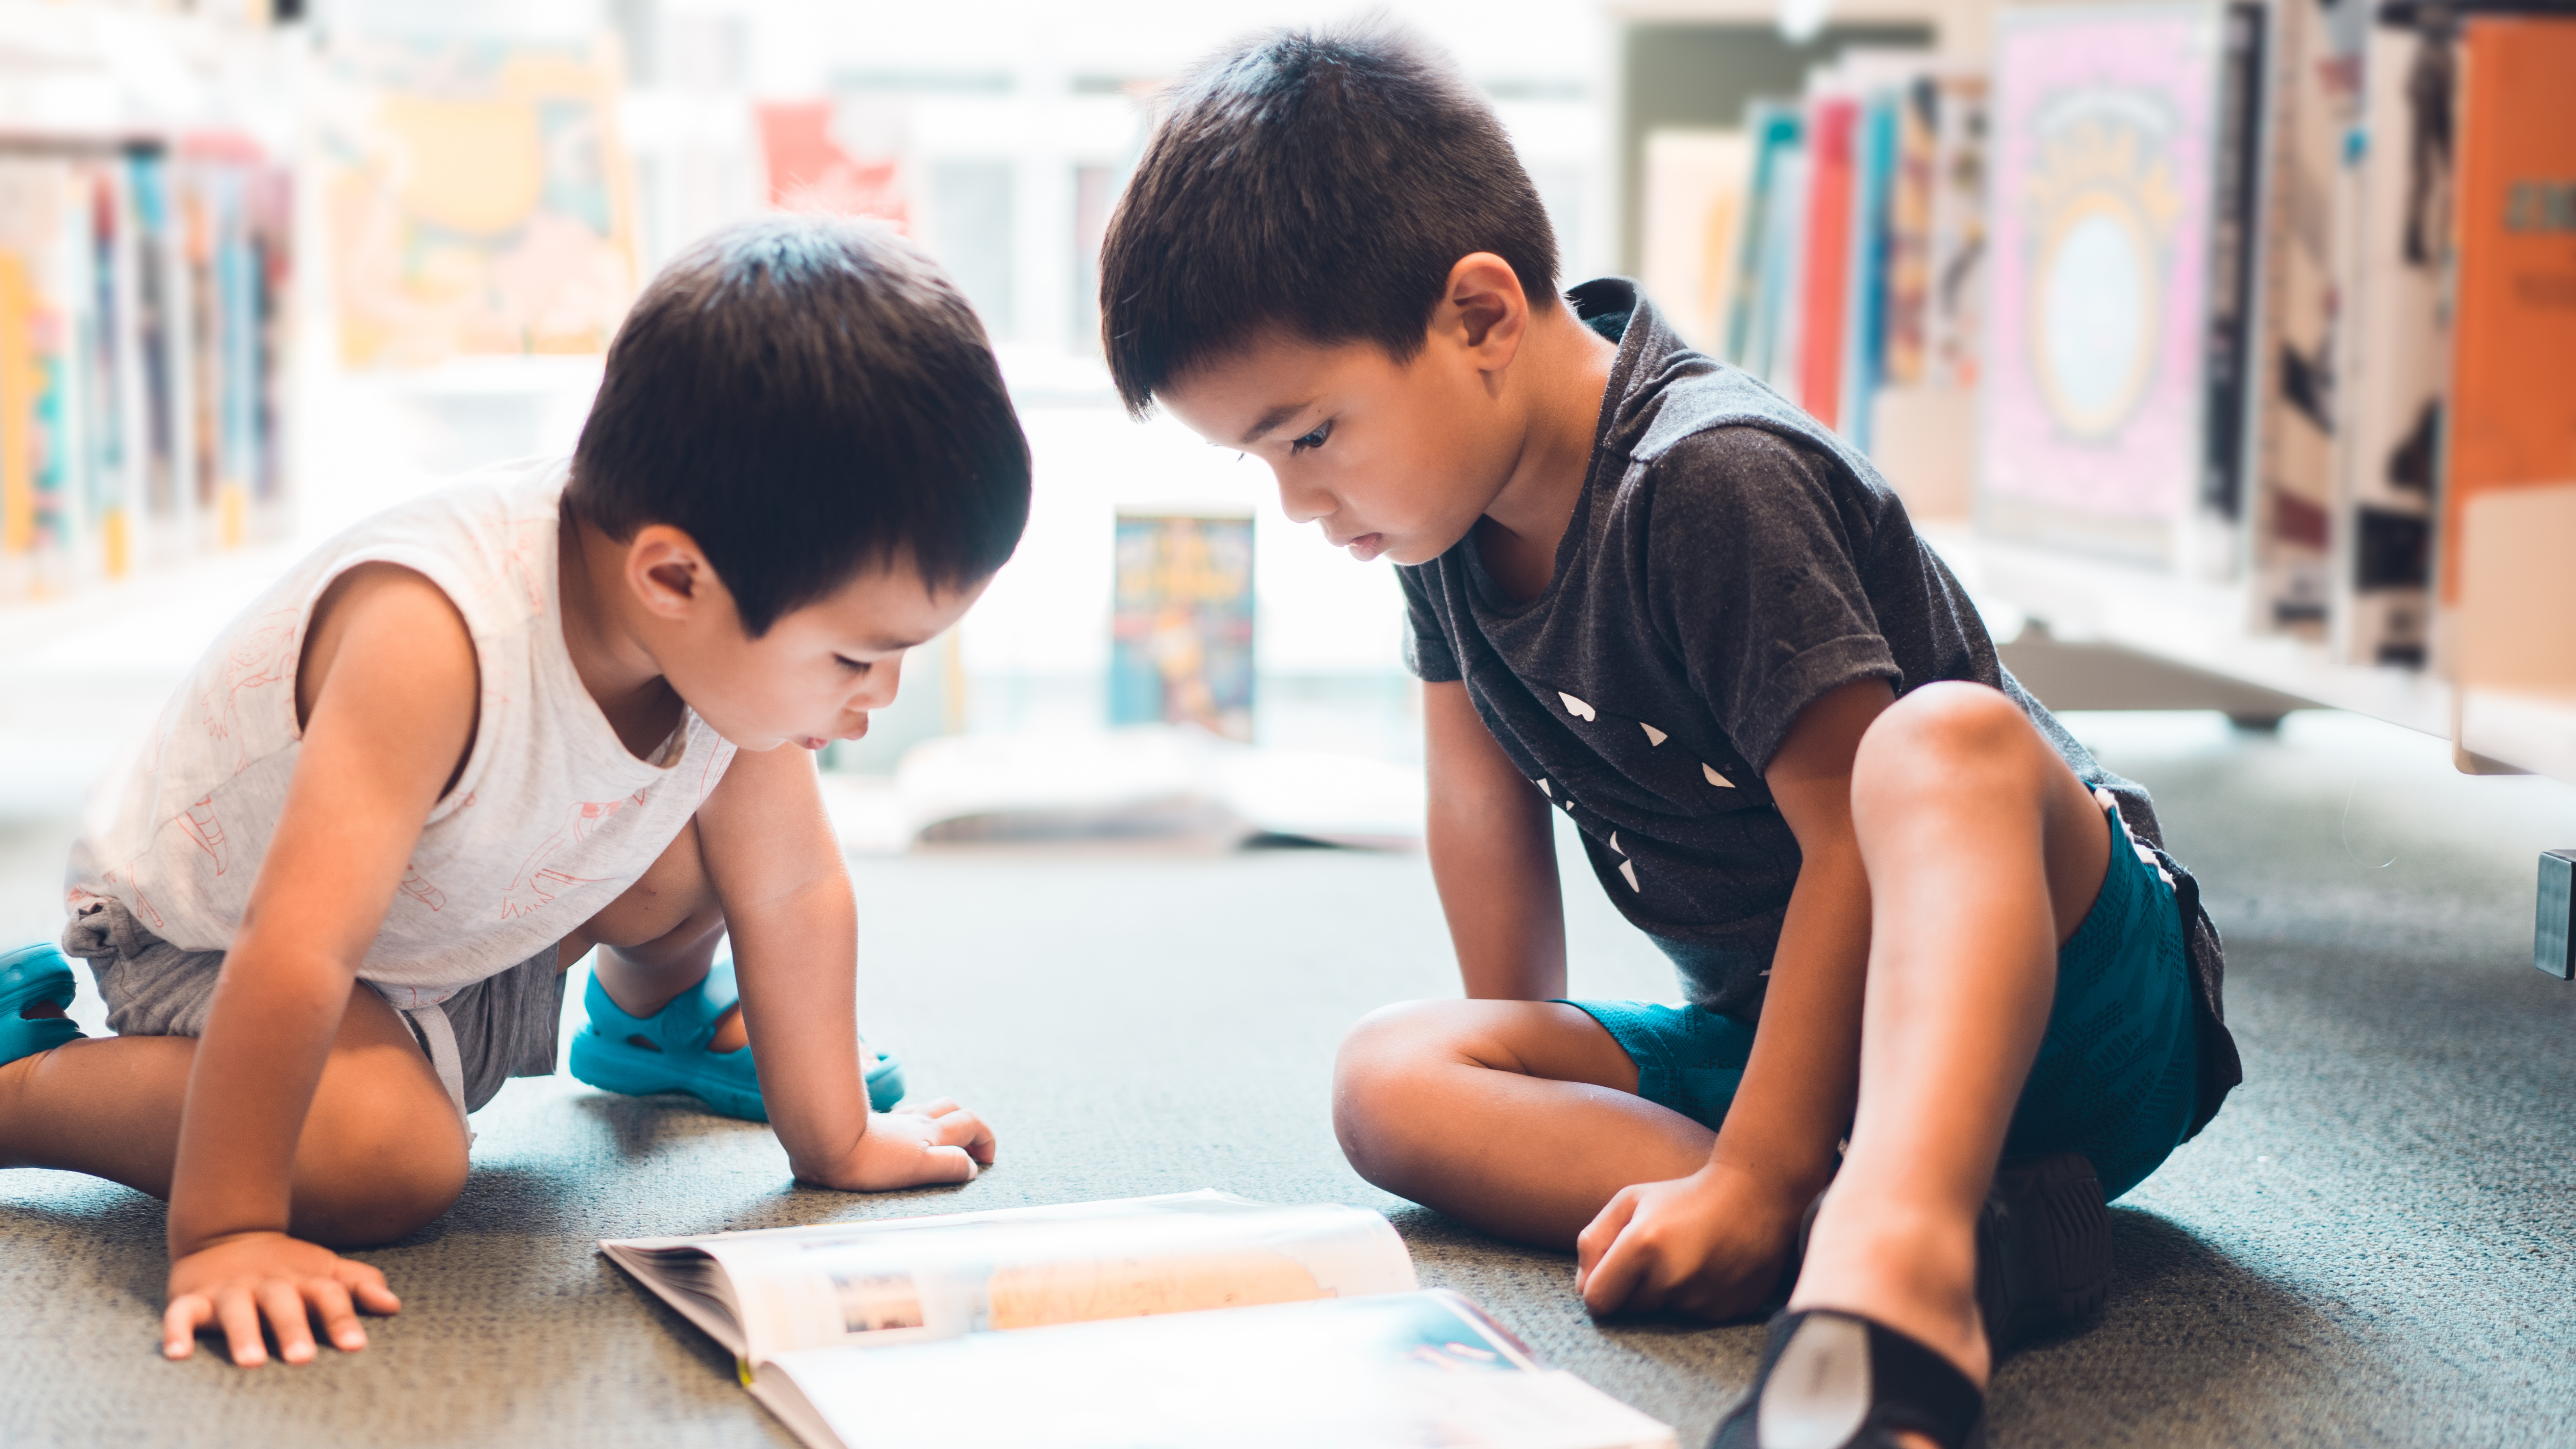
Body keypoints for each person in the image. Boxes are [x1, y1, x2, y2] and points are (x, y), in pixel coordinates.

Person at [1097, 25, 2240, 1449]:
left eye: (1311, 436)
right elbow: (1479, 788)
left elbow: (1855, 848)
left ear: (1481, 316)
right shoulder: (1438, 522)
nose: (1298, 504)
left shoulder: (1705, 476)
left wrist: (1754, 1171)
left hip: (2069, 990)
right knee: (1390, 1079)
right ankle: (1974, 1218)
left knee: (1940, 744)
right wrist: (1507, 1046)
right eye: (1263, 461)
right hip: (1792, 1037)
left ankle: (1894, 1276)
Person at [0, 216, 1019, 1370]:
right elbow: (298, 951)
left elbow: (793, 886)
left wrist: (835, 1138)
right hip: (223, 944)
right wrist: (230, 1230)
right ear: (674, 575)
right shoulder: (433, 640)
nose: (879, 696)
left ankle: (655, 1021)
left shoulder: (707, 626)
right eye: (855, 656)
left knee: (727, 831)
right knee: (392, 1160)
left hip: (458, 918)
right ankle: (26, 1087)